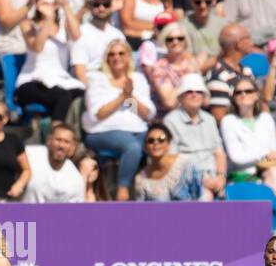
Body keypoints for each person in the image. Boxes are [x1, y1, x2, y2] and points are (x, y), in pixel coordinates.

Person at [83, 39, 154, 199]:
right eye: (112, 54)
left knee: (153, 143)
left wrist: (130, 97)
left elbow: (146, 113)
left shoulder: (138, 78)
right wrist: (123, 96)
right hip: (102, 131)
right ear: (107, 58)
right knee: (133, 147)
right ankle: (123, 190)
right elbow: (99, 114)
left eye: (121, 53)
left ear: (129, 56)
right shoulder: (97, 79)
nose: (117, 57)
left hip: (137, 130)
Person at [220, 75, 276, 196]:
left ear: (256, 95)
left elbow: (274, 150)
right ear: (234, 98)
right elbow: (236, 158)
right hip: (241, 174)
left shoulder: (266, 118)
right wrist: (265, 153)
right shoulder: (228, 120)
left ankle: (270, 211)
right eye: (238, 92)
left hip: (265, 170)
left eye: (248, 91)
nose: (243, 94)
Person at [133, 122, 206, 201]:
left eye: (161, 139)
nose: (156, 143)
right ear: (145, 147)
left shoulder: (186, 165)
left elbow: (199, 198)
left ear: (169, 143)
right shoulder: (141, 180)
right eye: (151, 140)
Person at [22, 123, 85, 203]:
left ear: (73, 147)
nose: (61, 145)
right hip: (20, 212)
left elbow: (75, 212)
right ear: (49, 140)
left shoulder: (76, 180)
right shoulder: (28, 154)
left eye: (66, 142)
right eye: (58, 140)